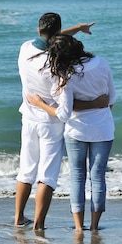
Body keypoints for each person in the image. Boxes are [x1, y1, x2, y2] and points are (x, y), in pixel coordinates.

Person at [15, 12, 108, 231]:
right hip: (50, 123)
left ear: (39, 30)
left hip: (27, 119)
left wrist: (76, 28)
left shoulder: (25, 49)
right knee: (47, 175)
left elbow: (50, 38)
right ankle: (39, 224)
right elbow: (66, 110)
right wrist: (95, 104)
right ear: (57, 32)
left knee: (26, 170)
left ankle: (18, 217)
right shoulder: (57, 66)